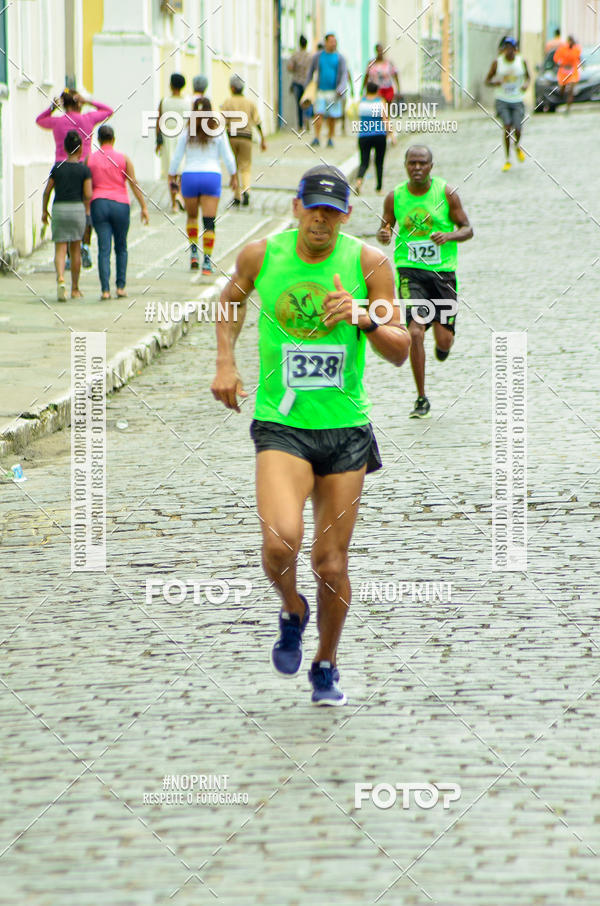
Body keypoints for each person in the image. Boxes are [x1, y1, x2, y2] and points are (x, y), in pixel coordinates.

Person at [210, 164, 410, 706]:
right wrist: (226, 361)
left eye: (333, 209)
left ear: (346, 214)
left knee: (331, 563)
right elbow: (228, 302)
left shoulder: (369, 264)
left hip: (345, 430)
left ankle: (326, 662)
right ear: (297, 206)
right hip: (283, 424)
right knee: (279, 543)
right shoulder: (262, 255)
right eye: (313, 206)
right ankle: (291, 606)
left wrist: (363, 315)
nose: (321, 218)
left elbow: (399, 348)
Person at [377, 145, 473, 419]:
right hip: (410, 271)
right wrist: (384, 234)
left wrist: (449, 236)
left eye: (422, 163)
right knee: (415, 332)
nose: (417, 167)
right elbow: (386, 227)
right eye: (412, 163)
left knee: (444, 342)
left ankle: (442, 343)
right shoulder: (395, 197)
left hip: (443, 274)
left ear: (431, 166)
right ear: (405, 166)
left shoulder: (446, 193)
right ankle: (421, 398)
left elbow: (468, 229)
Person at [36, 88, 113, 269]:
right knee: (86, 208)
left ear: (64, 103)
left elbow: (39, 121)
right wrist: (89, 101)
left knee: (63, 204)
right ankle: (84, 246)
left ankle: (70, 253)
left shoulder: (57, 122)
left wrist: (52, 108)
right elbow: (108, 111)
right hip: (84, 166)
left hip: (61, 168)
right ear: (78, 103)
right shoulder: (87, 119)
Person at [169, 97, 237, 274]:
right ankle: (207, 262)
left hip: (190, 175)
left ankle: (193, 253)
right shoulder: (218, 131)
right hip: (211, 176)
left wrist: (172, 175)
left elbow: (176, 157)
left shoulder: (186, 132)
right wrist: (234, 176)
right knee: (209, 222)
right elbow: (228, 157)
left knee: (192, 217)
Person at [87, 125, 149, 300]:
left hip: (99, 203)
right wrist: (143, 207)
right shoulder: (124, 159)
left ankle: (105, 290)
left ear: (98, 140)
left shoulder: (90, 160)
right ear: (113, 139)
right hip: (121, 205)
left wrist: (85, 207)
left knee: (103, 249)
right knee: (121, 247)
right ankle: (120, 287)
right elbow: (133, 183)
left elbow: (87, 186)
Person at [41, 131, 92, 301]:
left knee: (60, 248)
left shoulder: (57, 167)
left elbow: (47, 191)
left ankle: (61, 278)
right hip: (77, 209)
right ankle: (75, 288)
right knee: (75, 248)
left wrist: (44, 211)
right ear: (80, 150)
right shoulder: (84, 170)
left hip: (59, 209)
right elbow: (88, 193)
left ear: (65, 148)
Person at [220, 75, 267, 208]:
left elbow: (221, 121)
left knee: (234, 166)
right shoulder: (250, 103)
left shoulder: (227, 102)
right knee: (245, 166)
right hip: (246, 137)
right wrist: (263, 138)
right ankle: (246, 190)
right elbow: (257, 121)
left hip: (232, 137)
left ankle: (237, 196)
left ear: (232, 88)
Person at [485, 37, 530, 171]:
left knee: (518, 128)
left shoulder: (521, 62)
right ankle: (508, 159)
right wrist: (495, 82)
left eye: (511, 48)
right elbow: (487, 80)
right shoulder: (497, 63)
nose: (508, 50)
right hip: (502, 100)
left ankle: (517, 147)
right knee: (507, 126)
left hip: (517, 100)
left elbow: (528, 77)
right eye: (506, 47)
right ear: (504, 49)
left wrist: (526, 85)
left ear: (515, 50)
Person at [306, 33, 349, 148]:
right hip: (320, 90)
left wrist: (341, 88)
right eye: (331, 41)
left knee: (332, 117)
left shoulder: (340, 58)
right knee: (318, 114)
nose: (333, 44)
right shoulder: (318, 56)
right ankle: (317, 137)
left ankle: (330, 137)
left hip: (334, 92)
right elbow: (311, 71)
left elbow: (344, 74)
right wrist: (308, 87)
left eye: (335, 41)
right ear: (325, 42)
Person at [156, 73, 188, 212]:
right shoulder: (188, 102)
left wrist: (158, 141)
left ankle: (174, 203)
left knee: (171, 172)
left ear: (170, 85)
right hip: (182, 137)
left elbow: (159, 121)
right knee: (181, 170)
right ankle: (179, 194)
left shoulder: (164, 102)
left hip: (167, 137)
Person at [354, 81, 388, 195]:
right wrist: (391, 135)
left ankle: (359, 181)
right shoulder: (380, 101)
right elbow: (385, 119)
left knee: (364, 162)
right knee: (379, 162)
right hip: (379, 135)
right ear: (377, 91)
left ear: (367, 90)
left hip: (364, 135)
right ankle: (379, 188)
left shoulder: (361, 102)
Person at [288, 35, 313, 132]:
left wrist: (296, 69)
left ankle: (300, 125)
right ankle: (307, 119)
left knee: (299, 103)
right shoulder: (310, 56)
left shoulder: (295, 55)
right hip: (307, 82)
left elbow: (289, 67)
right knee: (307, 102)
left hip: (297, 82)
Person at [554, 36, 582, 112]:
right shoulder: (562, 49)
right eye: (570, 41)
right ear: (568, 41)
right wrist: (561, 63)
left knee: (570, 90)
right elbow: (556, 58)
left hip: (573, 72)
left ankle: (568, 108)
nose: (571, 44)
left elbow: (578, 58)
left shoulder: (577, 49)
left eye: (573, 42)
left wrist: (580, 65)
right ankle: (561, 96)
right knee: (562, 88)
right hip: (563, 71)